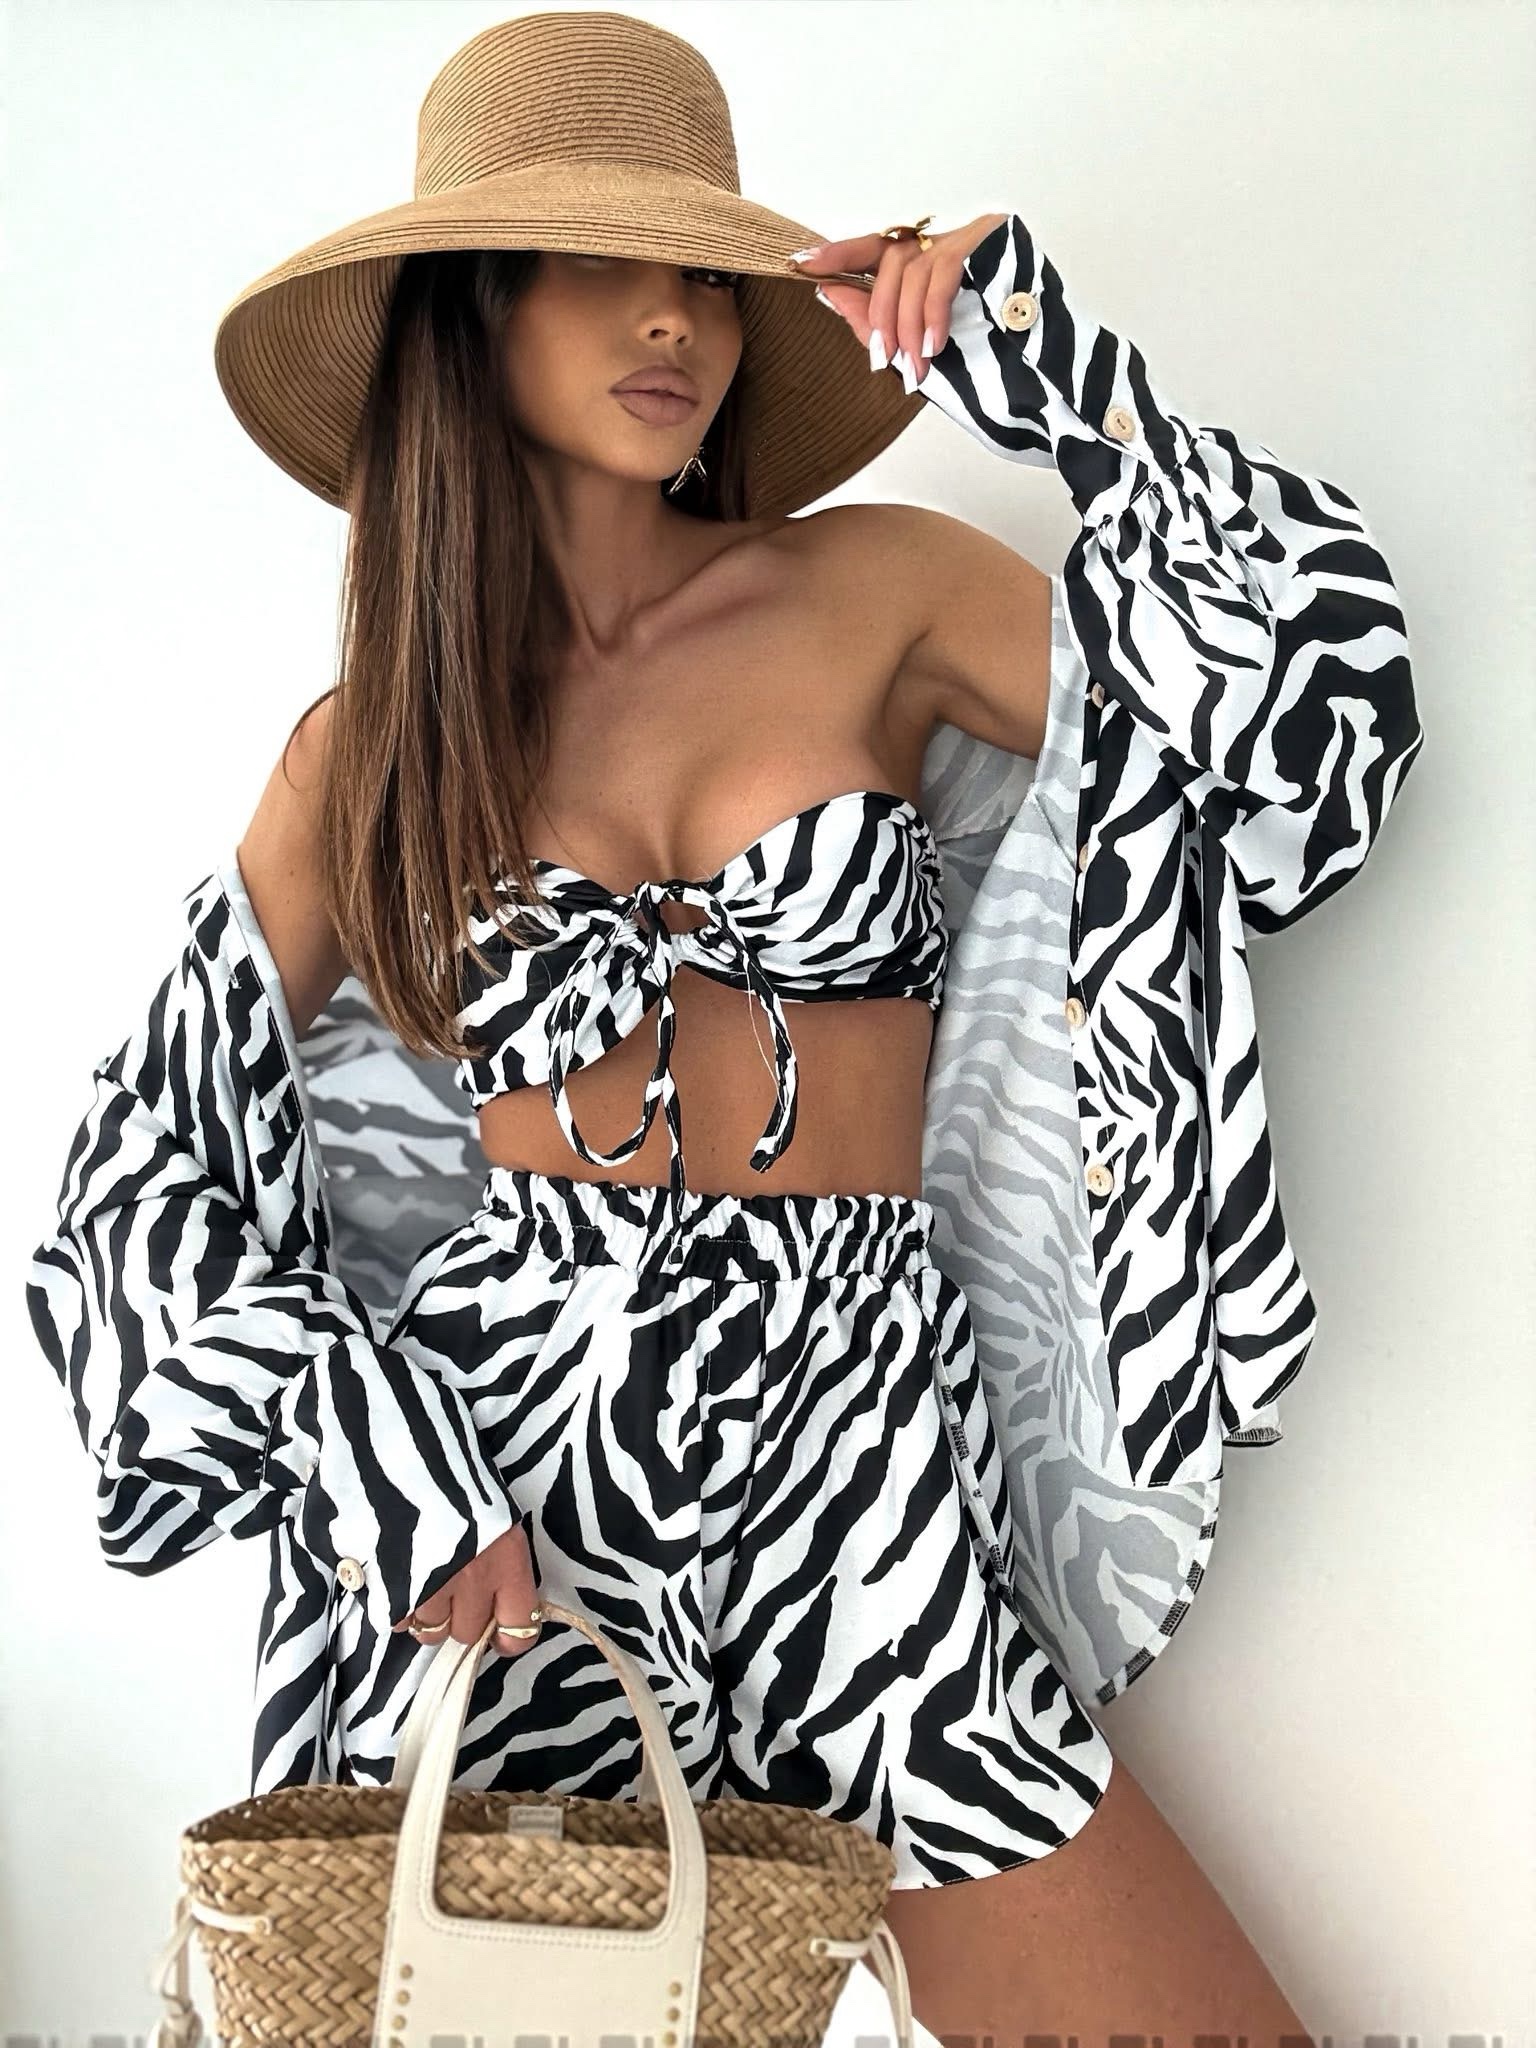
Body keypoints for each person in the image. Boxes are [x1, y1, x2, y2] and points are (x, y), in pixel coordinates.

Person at [25, 12, 1422, 2041]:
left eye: (703, 270)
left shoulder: (879, 591)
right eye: (602, 259)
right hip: (512, 1499)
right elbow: (126, 1195)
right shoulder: (374, 746)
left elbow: (1302, 745)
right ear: (467, 308)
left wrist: (1072, 396)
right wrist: (373, 1456)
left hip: (859, 1455)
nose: (673, 313)